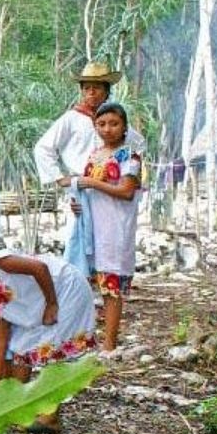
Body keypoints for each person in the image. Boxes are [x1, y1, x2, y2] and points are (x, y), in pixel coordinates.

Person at [0, 243, 97, 433]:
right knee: (20, 348)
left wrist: (52, 303)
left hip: (65, 289)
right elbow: (0, 342)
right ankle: (18, 407)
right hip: (40, 304)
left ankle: (50, 418)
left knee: (55, 350)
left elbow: (40, 268)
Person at [75, 102, 141, 353]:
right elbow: (86, 190)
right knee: (93, 282)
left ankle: (110, 344)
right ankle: (87, 340)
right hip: (93, 225)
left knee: (111, 285)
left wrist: (91, 182)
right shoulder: (94, 154)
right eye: (101, 124)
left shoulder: (129, 156)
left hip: (116, 227)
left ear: (124, 126)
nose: (107, 129)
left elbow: (126, 190)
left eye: (114, 123)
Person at [34, 61, 146, 191]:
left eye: (96, 88)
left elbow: (137, 143)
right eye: (87, 88)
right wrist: (60, 178)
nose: (91, 92)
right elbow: (42, 148)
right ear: (82, 91)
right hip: (81, 186)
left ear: (106, 91)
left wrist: (127, 172)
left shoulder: (114, 117)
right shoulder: (71, 118)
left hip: (111, 187)